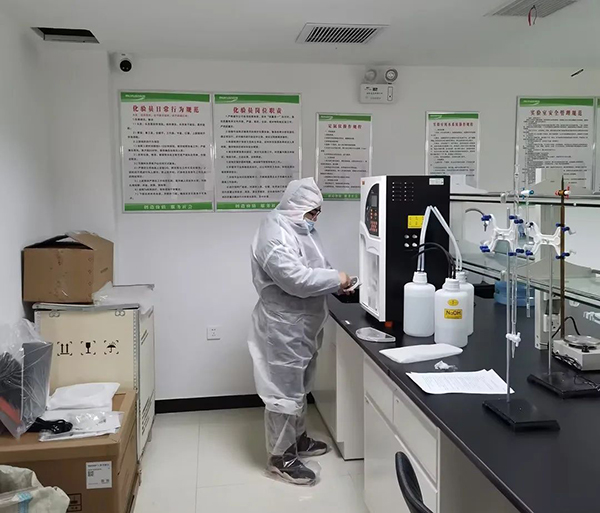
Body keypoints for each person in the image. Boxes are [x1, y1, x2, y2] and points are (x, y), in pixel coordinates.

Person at [248, 178, 352, 486]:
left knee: (300, 385)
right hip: (284, 325)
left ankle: (297, 440)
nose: (315, 218)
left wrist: (338, 284)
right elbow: (296, 279)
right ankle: (280, 458)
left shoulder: (301, 228)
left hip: (305, 322)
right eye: (312, 212)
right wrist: (336, 279)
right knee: (284, 392)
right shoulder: (274, 234)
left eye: (318, 212)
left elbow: (317, 265)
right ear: (295, 207)